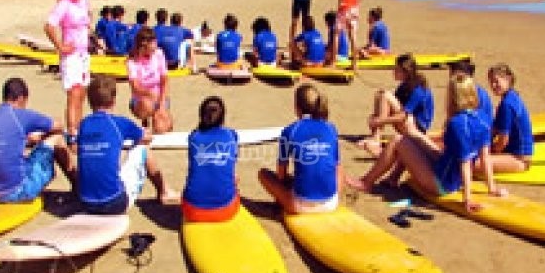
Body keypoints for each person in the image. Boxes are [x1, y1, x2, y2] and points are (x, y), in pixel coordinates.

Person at [346, 74, 506, 213]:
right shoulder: (484, 120)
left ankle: (366, 182)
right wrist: (491, 188)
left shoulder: (457, 123)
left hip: (441, 183)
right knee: (410, 138)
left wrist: (467, 199)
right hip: (451, 175)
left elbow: (465, 162)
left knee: (398, 141)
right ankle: (392, 179)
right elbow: (485, 158)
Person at [77, 75, 179, 213]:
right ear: (113, 101)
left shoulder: (83, 125)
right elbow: (145, 137)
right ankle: (164, 190)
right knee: (143, 150)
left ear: (89, 102)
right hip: (113, 202)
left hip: (85, 201)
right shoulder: (119, 123)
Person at [0, 77, 76, 202]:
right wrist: (44, 136)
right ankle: (77, 185)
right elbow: (58, 125)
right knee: (57, 138)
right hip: (13, 192)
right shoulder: (21, 114)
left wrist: (31, 139)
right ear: (21, 98)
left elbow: (8, 142)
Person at [259, 84, 343, 214]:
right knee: (336, 166)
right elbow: (336, 167)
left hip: (300, 205)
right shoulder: (331, 128)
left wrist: (284, 188)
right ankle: (331, 195)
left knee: (263, 174)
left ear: (297, 108)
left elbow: (281, 173)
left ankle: (283, 203)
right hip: (331, 204)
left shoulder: (290, 131)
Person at [44, 0, 92, 144]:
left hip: (84, 53)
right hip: (70, 55)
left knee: (82, 93)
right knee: (73, 93)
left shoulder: (84, 2)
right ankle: (72, 134)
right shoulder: (64, 5)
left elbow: (88, 21)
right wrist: (60, 45)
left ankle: (77, 131)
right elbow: (49, 26)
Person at [358, 53, 434, 155]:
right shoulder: (404, 86)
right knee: (380, 95)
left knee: (385, 96)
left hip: (417, 130)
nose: (393, 71)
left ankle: (376, 141)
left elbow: (403, 116)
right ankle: (375, 138)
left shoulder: (418, 89)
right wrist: (376, 118)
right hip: (408, 123)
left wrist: (380, 121)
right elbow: (389, 108)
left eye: (396, 69)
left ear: (406, 72)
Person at [182, 96, 240, 222]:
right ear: (222, 116)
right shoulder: (232, 135)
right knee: (233, 178)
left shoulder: (193, 137)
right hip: (225, 211)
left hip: (192, 211)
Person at [485, 63, 533, 173]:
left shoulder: (507, 104)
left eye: (496, 81)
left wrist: (491, 152)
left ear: (508, 79)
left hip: (519, 158)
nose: (493, 85)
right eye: (491, 82)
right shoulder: (512, 96)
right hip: (515, 154)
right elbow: (495, 129)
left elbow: (503, 141)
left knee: (472, 164)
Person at [127, 26, 173, 133]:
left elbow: (164, 80)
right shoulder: (132, 62)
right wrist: (150, 93)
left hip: (159, 96)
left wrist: (161, 103)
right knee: (146, 104)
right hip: (141, 99)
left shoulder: (159, 54)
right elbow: (136, 87)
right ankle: (146, 119)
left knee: (162, 129)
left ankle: (158, 117)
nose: (155, 47)